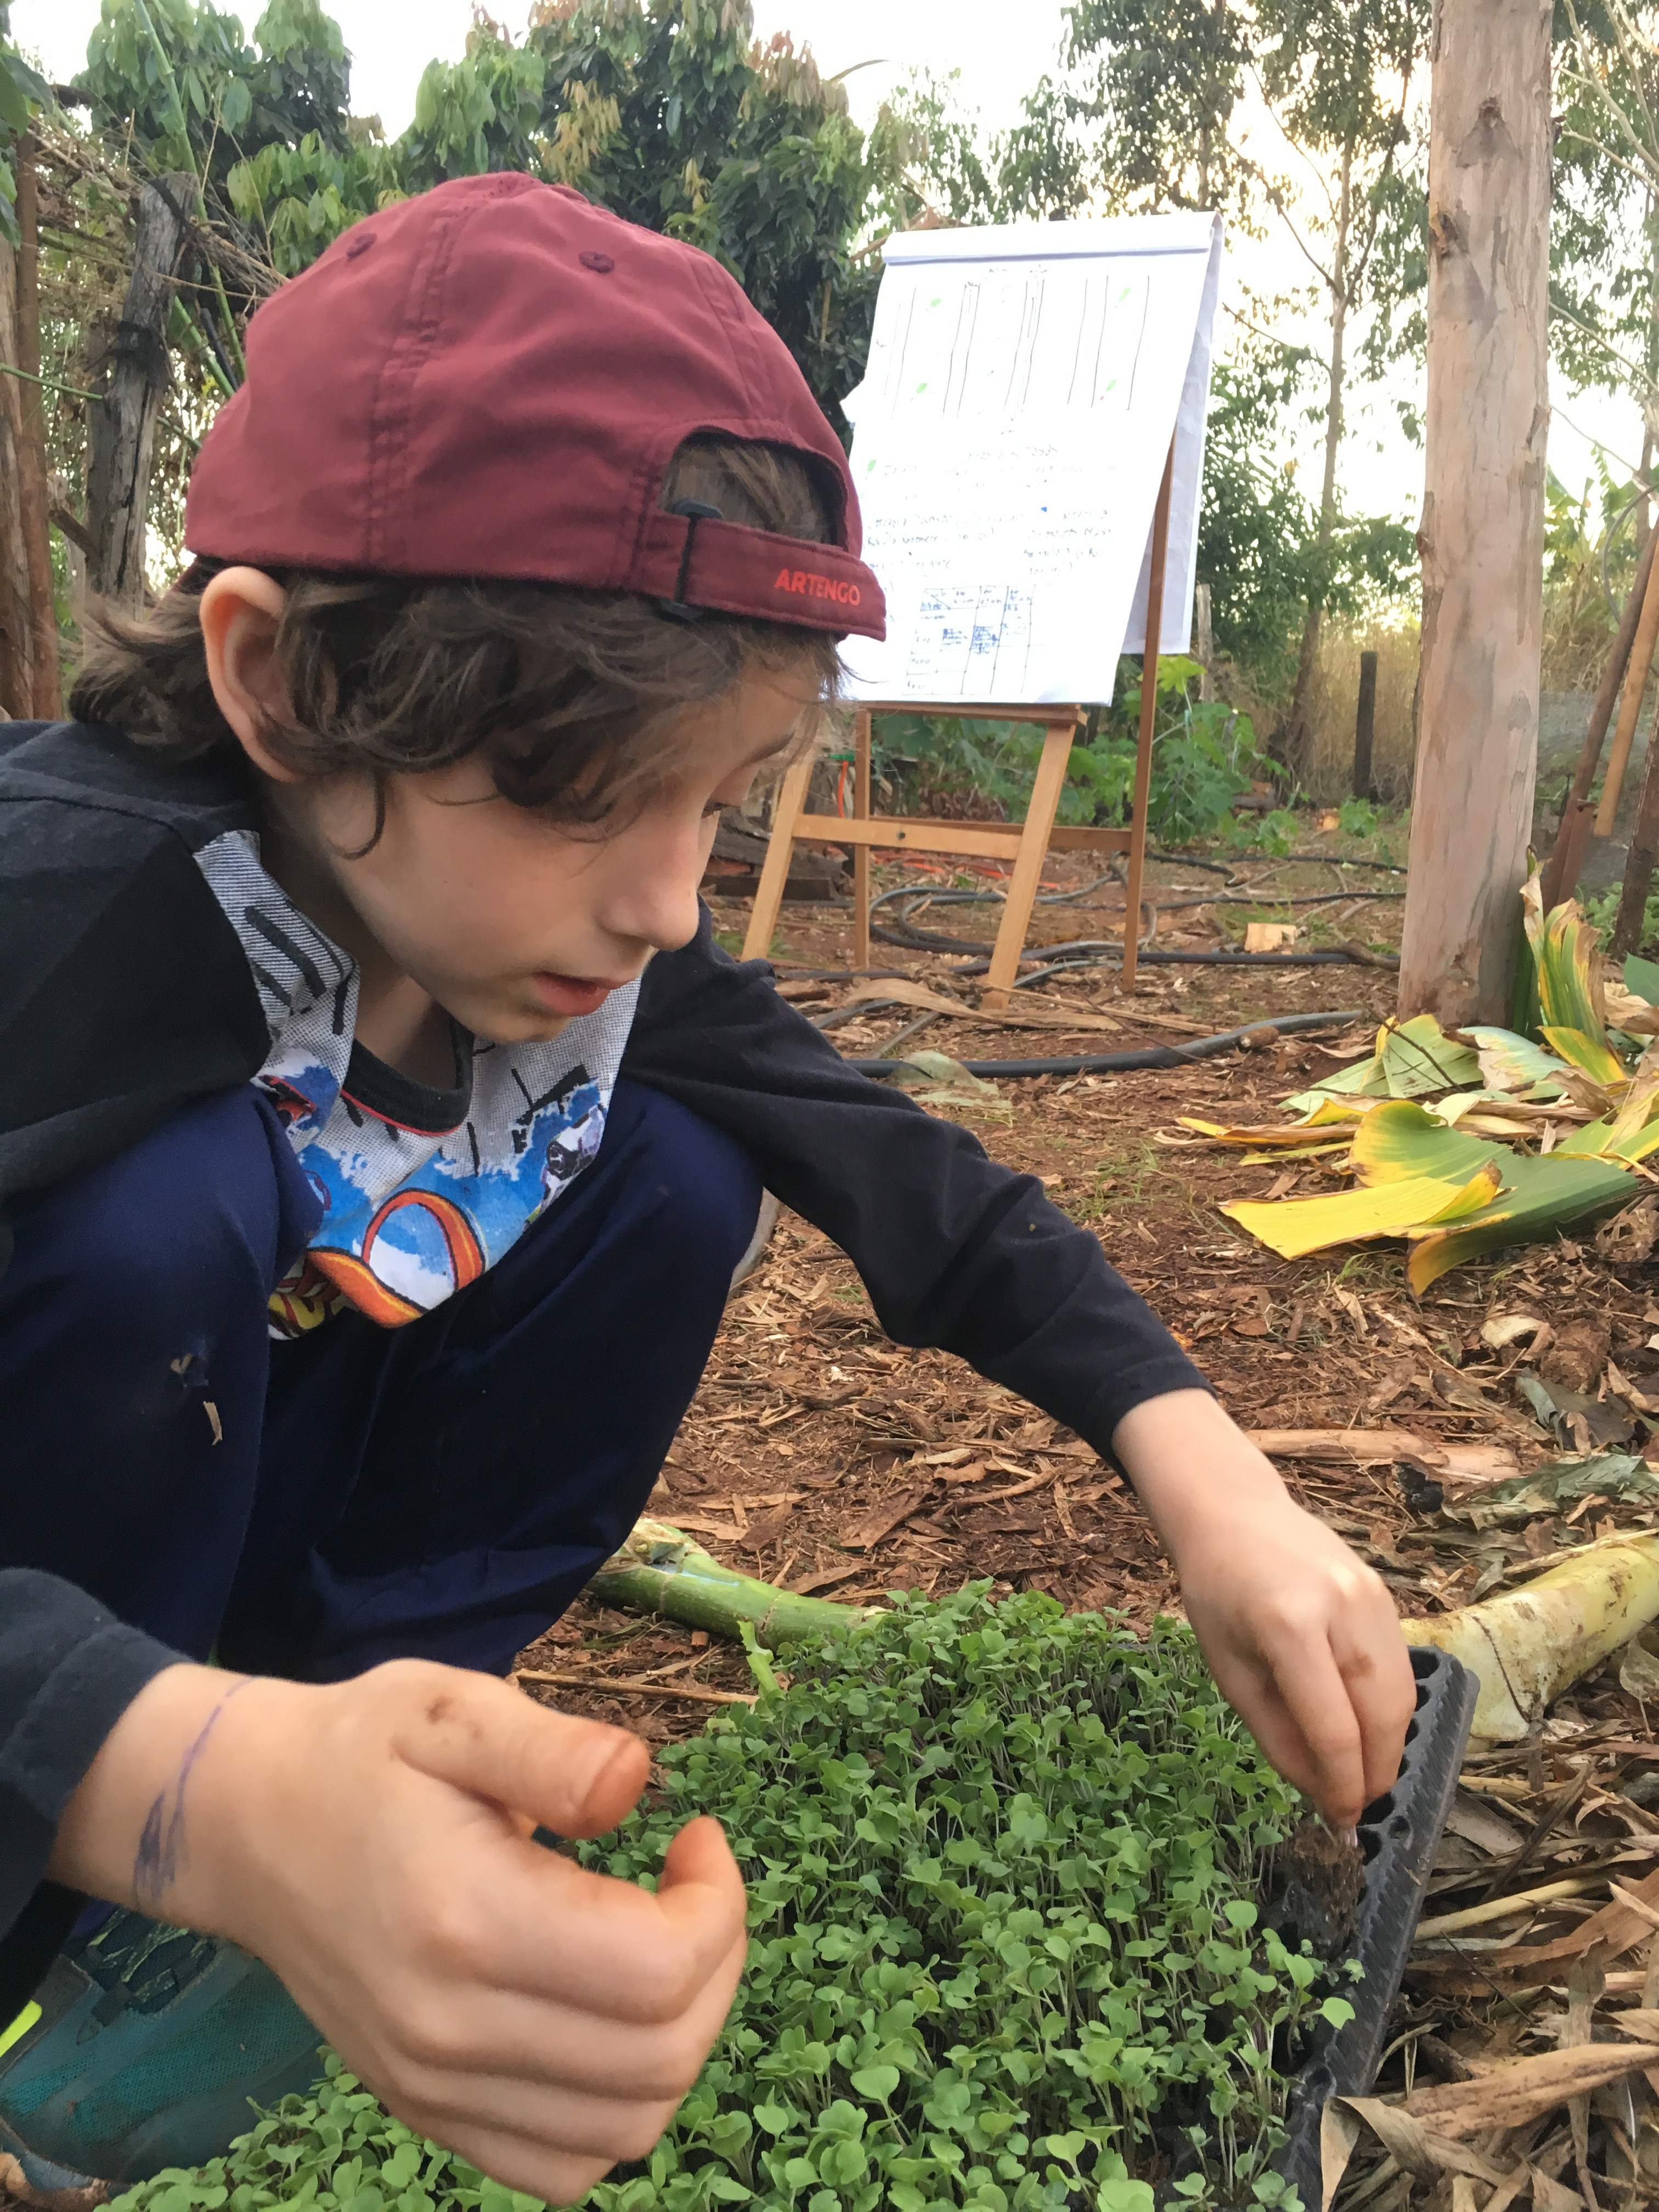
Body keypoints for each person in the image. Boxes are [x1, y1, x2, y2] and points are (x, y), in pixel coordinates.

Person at [0, 173, 1415, 2207]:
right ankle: (157, 1871)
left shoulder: (542, 948)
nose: (669, 898)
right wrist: (188, 1786)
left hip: (214, 1625)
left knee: (677, 1162)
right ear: (283, 680)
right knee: (167, 1216)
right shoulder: (53, 932)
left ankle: (318, 1807)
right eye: (590, 795)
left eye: (722, 805)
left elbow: (920, 1187)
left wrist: (1213, 1481)